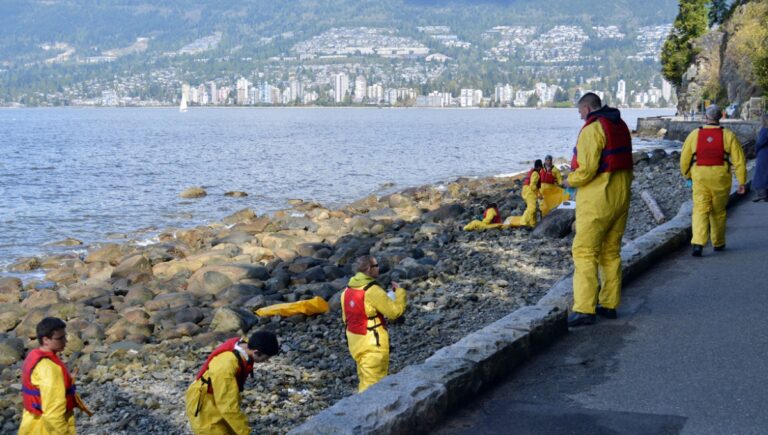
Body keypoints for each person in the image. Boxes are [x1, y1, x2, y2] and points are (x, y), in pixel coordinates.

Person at [566, 93, 633, 327]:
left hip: (598, 200)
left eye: (579, 111)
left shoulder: (592, 130)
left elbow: (586, 170)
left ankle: (584, 309)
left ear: (586, 108)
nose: (579, 115)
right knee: (611, 252)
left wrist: (568, 180)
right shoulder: (620, 124)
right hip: (621, 197)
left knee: (584, 252)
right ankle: (609, 304)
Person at [680, 104, 747, 256]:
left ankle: (698, 243)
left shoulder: (694, 134)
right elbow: (739, 160)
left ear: (706, 117)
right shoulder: (728, 135)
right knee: (718, 211)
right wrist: (741, 181)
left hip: (700, 176)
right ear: (720, 117)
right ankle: (718, 242)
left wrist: (687, 175)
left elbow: (684, 158)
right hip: (720, 177)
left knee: (700, 210)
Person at [185, 330, 279, 435]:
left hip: (217, 393)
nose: (266, 361)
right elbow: (228, 406)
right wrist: (246, 432)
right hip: (204, 403)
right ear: (256, 352)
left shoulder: (246, 345)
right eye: (265, 358)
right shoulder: (226, 366)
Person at [342, 255, 407, 392]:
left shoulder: (347, 290)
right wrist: (400, 293)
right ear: (368, 269)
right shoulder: (372, 291)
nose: (379, 268)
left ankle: (357, 408)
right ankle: (368, 412)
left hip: (355, 342)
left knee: (364, 378)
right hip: (373, 343)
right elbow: (394, 312)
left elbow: (346, 318)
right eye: (376, 266)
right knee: (374, 385)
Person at [19, 317, 91, 435]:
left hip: (31, 423)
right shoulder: (49, 368)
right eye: (60, 338)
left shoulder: (34, 355)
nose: (65, 341)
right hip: (44, 429)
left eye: (64, 336)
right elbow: (53, 414)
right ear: (46, 339)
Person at [520, 159, 543, 228]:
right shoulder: (536, 173)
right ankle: (523, 223)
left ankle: (532, 224)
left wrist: (538, 193)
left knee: (533, 207)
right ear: (539, 167)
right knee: (532, 208)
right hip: (529, 191)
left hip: (526, 189)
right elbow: (533, 186)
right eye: (541, 167)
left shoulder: (533, 171)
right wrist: (538, 195)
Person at [752, 114, 768, 202]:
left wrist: (755, 150)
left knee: (760, 174)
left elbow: (760, 143)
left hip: (764, 154)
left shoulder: (764, 130)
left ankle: (761, 194)